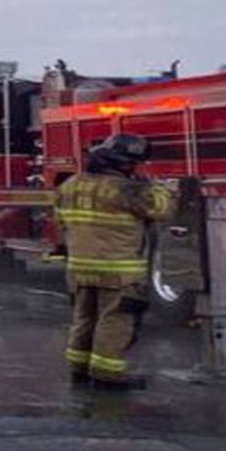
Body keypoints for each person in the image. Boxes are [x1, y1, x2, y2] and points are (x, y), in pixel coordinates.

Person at [56, 134, 173, 390]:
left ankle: (79, 368)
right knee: (116, 319)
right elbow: (162, 209)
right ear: (124, 164)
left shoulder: (71, 184)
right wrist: (156, 186)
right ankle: (107, 374)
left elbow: (60, 223)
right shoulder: (126, 189)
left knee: (84, 318)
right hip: (119, 270)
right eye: (136, 164)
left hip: (79, 267)